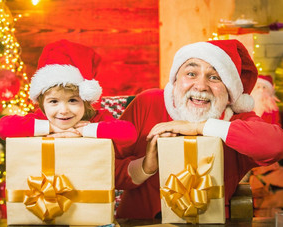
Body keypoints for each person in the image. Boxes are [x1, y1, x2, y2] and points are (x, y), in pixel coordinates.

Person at [114, 39, 283, 219]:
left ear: (229, 94)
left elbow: (276, 144)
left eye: (215, 77)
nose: (201, 86)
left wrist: (198, 127)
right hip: (140, 221)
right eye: (191, 73)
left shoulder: (235, 120)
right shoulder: (148, 103)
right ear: (176, 80)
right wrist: (145, 166)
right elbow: (107, 169)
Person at [0, 39, 137, 147]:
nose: (63, 110)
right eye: (53, 101)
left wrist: (86, 130)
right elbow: (2, 127)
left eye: (72, 101)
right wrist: (51, 127)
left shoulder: (96, 119)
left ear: (85, 100)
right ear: (42, 104)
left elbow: (128, 133)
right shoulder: (41, 119)